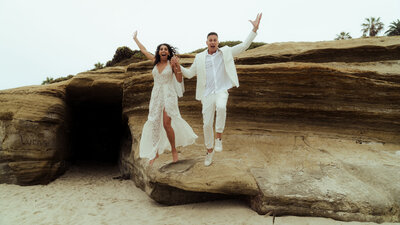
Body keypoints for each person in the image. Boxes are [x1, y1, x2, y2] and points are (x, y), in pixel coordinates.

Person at [177, 13, 262, 166]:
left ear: (218, 42)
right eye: (210, 40)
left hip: (222, 90)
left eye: (215, 40)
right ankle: (209, 151)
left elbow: (243, 46)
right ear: (206, 42)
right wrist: (178, 66)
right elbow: (189, 74)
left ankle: (219, 138)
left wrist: (254, 29)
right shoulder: (199, 57)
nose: (213, 42)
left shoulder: (226, 51)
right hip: (207, 94)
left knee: (222, 107)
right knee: (206, 124)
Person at [133, 31, 198, 165]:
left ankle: (174, 150)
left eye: (165, 49)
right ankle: (155, 152)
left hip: (168, 94)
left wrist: (177, 66)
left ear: (168, 53)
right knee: (155, 123)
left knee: (166, 123)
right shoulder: (154, 62)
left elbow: (179, 79)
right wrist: (135, 39)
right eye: (161, 49)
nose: (163, 51)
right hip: (156, 95)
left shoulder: (172, 64)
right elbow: (144, 50)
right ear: (159, 52)